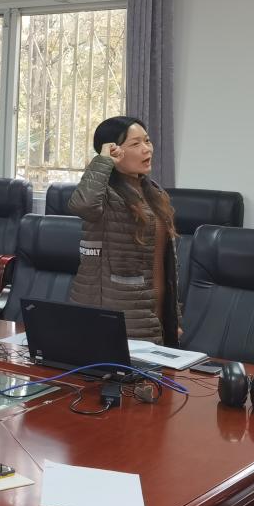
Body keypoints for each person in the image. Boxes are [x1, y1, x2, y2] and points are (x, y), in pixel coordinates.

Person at [69, 115, 179, 344]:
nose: (146, 149)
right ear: (114, 151)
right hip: (115, 315)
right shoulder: (105, 195)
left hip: (154, 313)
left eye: (147, 141)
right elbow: (83, 205)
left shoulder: (154, 193)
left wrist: (173, 317)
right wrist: (103, 161)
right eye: (135, 144)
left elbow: (163, 265)